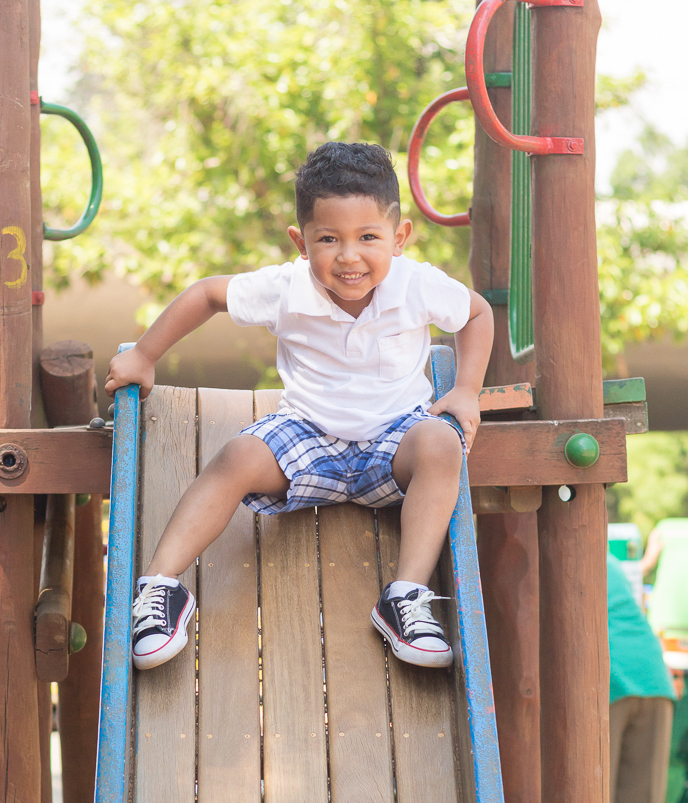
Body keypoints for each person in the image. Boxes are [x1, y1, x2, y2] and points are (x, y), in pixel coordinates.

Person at [105, 142, 493, 670]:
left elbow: (477, 314)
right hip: (308, 435)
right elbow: (206, 295)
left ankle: (405, 596)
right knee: (237, 455)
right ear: (301, 241)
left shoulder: (417, 285)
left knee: (442, 443)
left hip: (393, 441)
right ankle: (159, 588)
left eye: (368, 238)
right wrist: (145, 357)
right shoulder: (286, 287)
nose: (349, 256)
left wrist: (466, 389)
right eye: (329, 239)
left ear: (399, 238)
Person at [607, 553, 676, 803]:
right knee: (643, 790)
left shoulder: (555, 547)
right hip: (653, 674)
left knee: (594, 787)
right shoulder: (611, 561)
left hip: (607, 675)